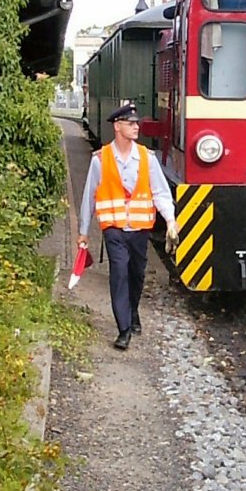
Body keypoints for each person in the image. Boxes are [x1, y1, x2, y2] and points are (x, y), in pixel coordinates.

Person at [77, 102, 179, 350]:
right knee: (119, 273)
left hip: (139, 231)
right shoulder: (101, 160)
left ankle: (133, 312)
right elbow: (89, 195)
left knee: (136, 274)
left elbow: (160, 192)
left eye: (136, 123)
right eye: (131, 123)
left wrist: (170, 222)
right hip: (113, 228)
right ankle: (123, 329)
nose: (136, 127)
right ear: (117, 127)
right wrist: (82, 233)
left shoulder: (147, 158)